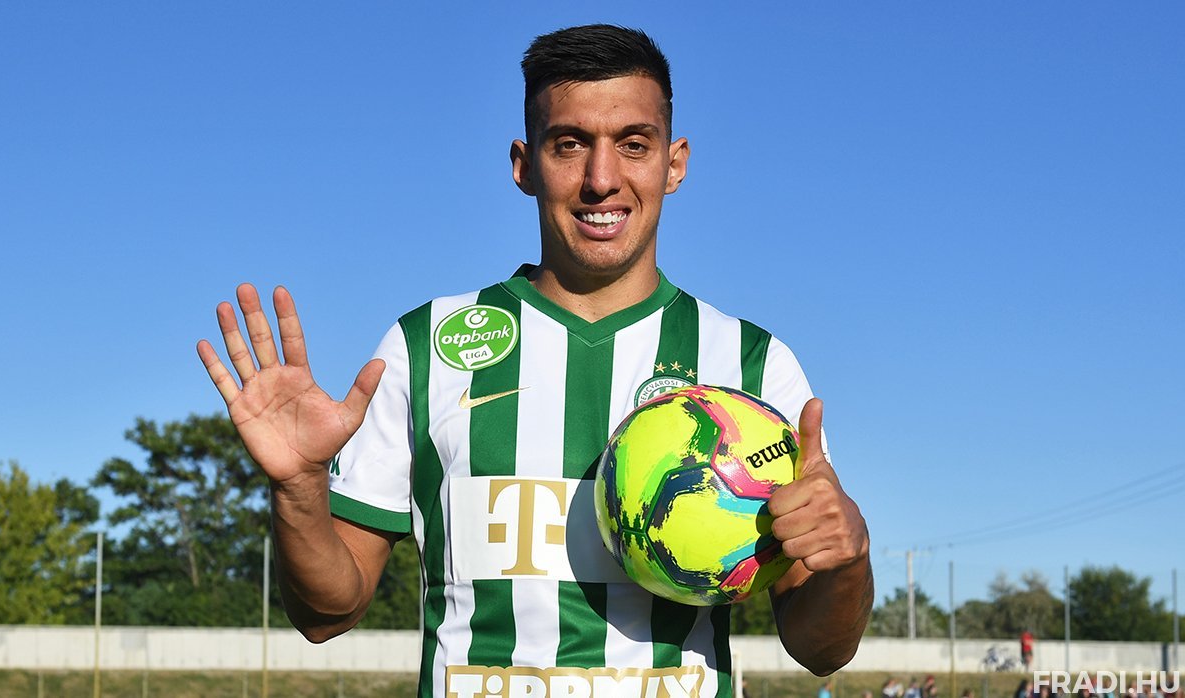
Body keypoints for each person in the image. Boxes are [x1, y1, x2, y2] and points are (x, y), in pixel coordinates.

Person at [197, 24, 872, 697]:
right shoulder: (426, 348)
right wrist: (300, 487)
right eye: (569, 144)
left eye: (634, 145)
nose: (601, 179)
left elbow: (821, 648)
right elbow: (327, 613)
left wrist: (850, 558)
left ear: (675, 164)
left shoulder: (752, 366)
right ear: (524, 165)